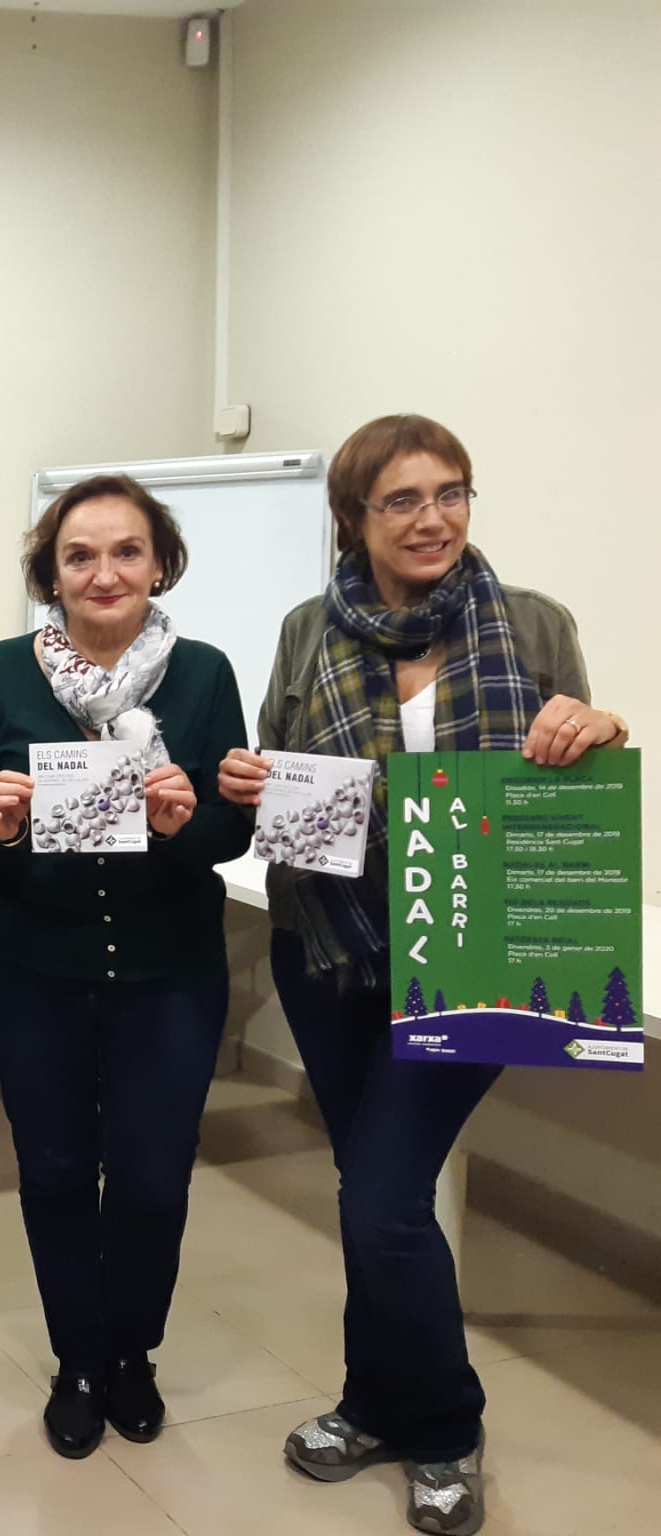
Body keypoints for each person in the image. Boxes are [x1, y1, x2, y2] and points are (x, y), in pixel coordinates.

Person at [218, 415, 628, 1536]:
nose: (432, 518)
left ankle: (443, 1426)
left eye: (450, 492)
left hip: (476, 950)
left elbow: (567, 781)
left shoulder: (533, 624)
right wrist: (252, 778)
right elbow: (275, 767)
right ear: (351, 518)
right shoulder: (308, 628)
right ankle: (369, 1403)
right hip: (332, 942)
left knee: (383, 1199)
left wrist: (588, 726)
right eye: (400, 499)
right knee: (370, 1198)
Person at [0, 473, 249, 1460]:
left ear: (157, 563)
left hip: (170, 973)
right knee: (56, 1170)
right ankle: (77, 1359)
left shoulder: (201, 673)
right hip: (31, 969)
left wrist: (183, 820)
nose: (102, 572)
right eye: (78, 554)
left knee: (153, 1179)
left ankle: (131, 1353)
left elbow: (230, 827)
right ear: (50, 572)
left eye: (123, 551)